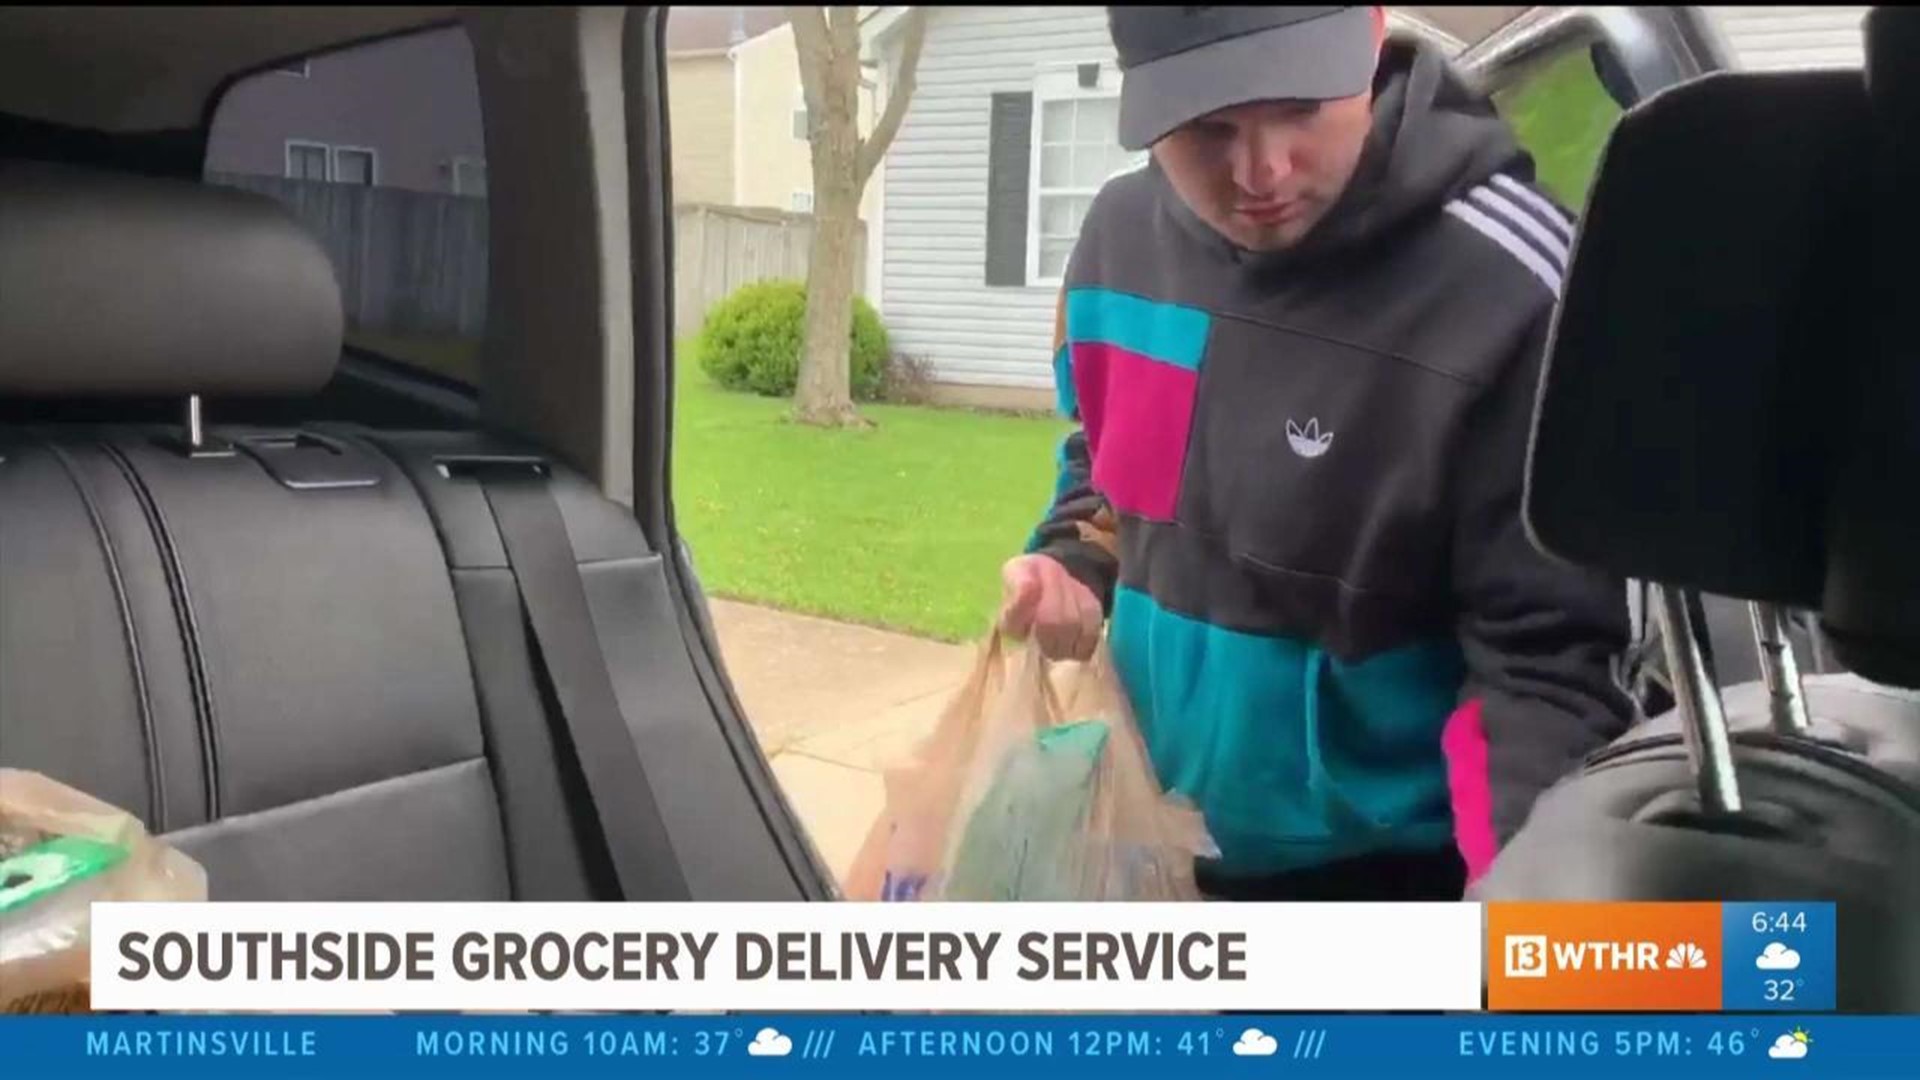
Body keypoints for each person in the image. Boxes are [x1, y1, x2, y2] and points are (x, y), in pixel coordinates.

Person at [999, 6, 1635, 901]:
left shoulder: (1519, 293)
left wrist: (1512, 924)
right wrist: (1073, 559)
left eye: (1300, 107)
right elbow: (1108, 464)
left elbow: (1548, 668)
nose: (1261, 171)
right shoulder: (1115, 244)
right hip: (1151, 839)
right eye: (1208, 129)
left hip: (1390, 886)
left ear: (1373, 37)